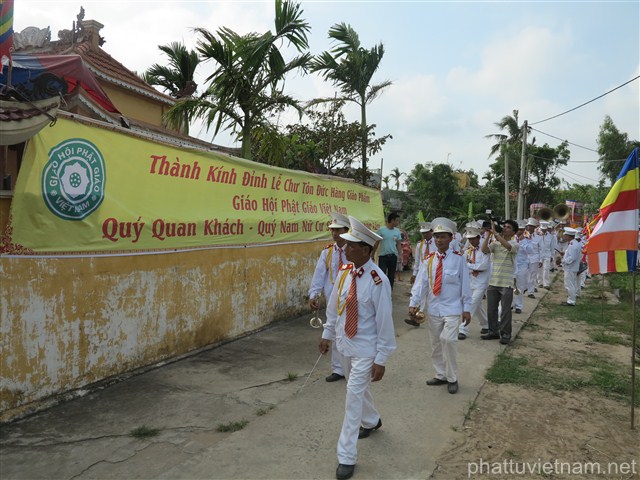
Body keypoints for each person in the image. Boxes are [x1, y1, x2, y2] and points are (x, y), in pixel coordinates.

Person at [319, 216, 396, 480]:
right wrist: (327, 335)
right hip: (344, 344)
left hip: (365, 349)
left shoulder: (378, 281)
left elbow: (384, 323)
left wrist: (381, 359)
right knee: (356, 389)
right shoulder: (344, 272)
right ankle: (372, 420)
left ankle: (346, 455)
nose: (346, 247)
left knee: (352, 397)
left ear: (365, 250)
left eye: (351, 245)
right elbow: (334, 309)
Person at [408, 217, 471, 394]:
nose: (439, 240)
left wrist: (467, 308)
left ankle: (452, 378)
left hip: (453, 308)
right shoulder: (429, 260)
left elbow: (465, 285)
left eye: (443, 236)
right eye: (436, 236)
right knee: (436, 343)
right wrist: (414, 303)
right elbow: (421, 284)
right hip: (434, 308)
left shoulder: (459, 259)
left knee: (448, 340)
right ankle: (441, 374)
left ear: (451, 238)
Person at [309, 212, 351, 382]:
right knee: (333, 329)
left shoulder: (353, 250)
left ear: (346, 230)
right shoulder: (327, 252)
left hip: (350, 295)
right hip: (333, 297)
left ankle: (352, 366)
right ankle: (338, 368)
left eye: (338, 230)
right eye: (332, 230)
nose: (334, 233)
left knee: (351, 330)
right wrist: (314, 294)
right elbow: (319, 274)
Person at [481, 219, 519, 345]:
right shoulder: (496, 244)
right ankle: (493, 331)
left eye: (508, 227)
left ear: (513, 232)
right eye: (504, 226)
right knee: (491, 309)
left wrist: (496, 234)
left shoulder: (515, 243)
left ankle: (506, 334)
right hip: (493, 281)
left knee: (505, 311)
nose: (505, 228)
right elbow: (484, 249)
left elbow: (508, 247)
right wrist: (489, 235)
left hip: (506, 282)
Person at [458, 227, 490, 339]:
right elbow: (462, 265)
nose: (471, 241)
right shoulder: (468, 251)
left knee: (471, 303)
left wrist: (469, 266)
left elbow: (483, 266)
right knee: (477, 305)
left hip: (482, 281)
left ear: (478, 238)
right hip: (471, 281)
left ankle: (463, 328)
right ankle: (485, 324)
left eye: (473, 239)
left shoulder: (485, 249)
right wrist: (471, 267)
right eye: (469, 239)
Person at [405, 222, 433, 327]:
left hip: (434, 272)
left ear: (431, 232)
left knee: (429, 296)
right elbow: (417, 261)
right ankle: (415, 317)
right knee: (417, 292)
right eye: (423, 233)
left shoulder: (437, 244)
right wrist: (414, 274)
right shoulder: (419, 245)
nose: (425, 235)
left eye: (427, 232)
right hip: (422, 272)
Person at [376, 213, 402, 289]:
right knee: (382, 275)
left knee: (391, 276)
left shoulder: (397, 231)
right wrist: (372, 253)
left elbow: (398, 244)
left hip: (393, 256)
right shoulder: (381, 230)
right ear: (392, 220)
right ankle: (381, 290)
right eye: (397, 221)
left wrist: (400, 255)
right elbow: (376, 243)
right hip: (383, 257)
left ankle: (389, 291)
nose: (398, 222)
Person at [512, 221, 531, 315]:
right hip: (511, 265)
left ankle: (518, 306)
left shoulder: (527, 240)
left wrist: (523, 241)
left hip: (522, 266)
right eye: (518, 229)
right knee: (510, 286)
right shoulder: (511, 238)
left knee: (520, 286)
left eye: (521, 230)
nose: (519, 231)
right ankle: (511, 303)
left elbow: (530, 250)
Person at [560, 227, 581, 306]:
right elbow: (571, 255)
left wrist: (562, 261)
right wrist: (564, 254)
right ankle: (571, 299)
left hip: (570, 268)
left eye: (566, 235)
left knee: (569, 285)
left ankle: (571, 301)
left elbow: (571, 258)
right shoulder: (574, 243)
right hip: (572, 268)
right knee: (571, 284)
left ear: (569, 236)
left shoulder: (572, 245)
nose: (565, 237)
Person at [524, 218, 542, 298]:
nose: (529, 227)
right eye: (528, 226)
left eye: (531, 226)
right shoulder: (523, 236)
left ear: (534, 228)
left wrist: (541, 260)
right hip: (524, 258)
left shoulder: (538, 237)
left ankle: (530, 292)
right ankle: (524, 287)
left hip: (534, 258)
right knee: (524, 274)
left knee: (532, 275)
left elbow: (541, 249)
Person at [537, 221, 557, 289]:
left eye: (544, 229)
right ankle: (540, 282)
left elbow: (552, 247)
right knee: (539, 269)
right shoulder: (538, 235)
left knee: (546, 269)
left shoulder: (551, 236)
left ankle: (546, 283)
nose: (543, 230)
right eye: (542, 229)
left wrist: (552, 256)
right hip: (539, 254)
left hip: (547, 254)